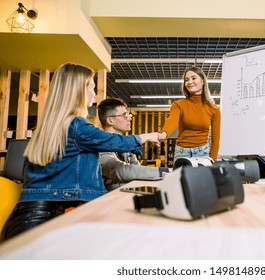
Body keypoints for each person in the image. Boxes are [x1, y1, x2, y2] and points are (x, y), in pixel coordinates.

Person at [0, 63, 160, 241]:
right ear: (79, 91)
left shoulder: (48, 127)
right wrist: (148, 136)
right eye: (92, 87)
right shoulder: (77, 126)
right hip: (39, 220)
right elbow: (114, 142)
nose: (94, 93)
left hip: (27, 217)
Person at [97, 98, 169, 191]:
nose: (129, 117)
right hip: (107, 202)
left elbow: (137, 170)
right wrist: (165, 171)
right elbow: (121, 171)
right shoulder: (100, 147)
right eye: (124, 115)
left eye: (127, 114)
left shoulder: (127, 149)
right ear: (110, 120)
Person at [158, 66, 221, 161]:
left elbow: (215, 141)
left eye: (193, 78)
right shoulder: (178, 105)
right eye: (186, 80)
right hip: (182, 152)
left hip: (203, 152)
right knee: (180, 176)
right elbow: (172, 120)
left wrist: (213, 161)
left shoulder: (214, 109)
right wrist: (164, 133)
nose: (190, 82)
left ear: (203, 81)